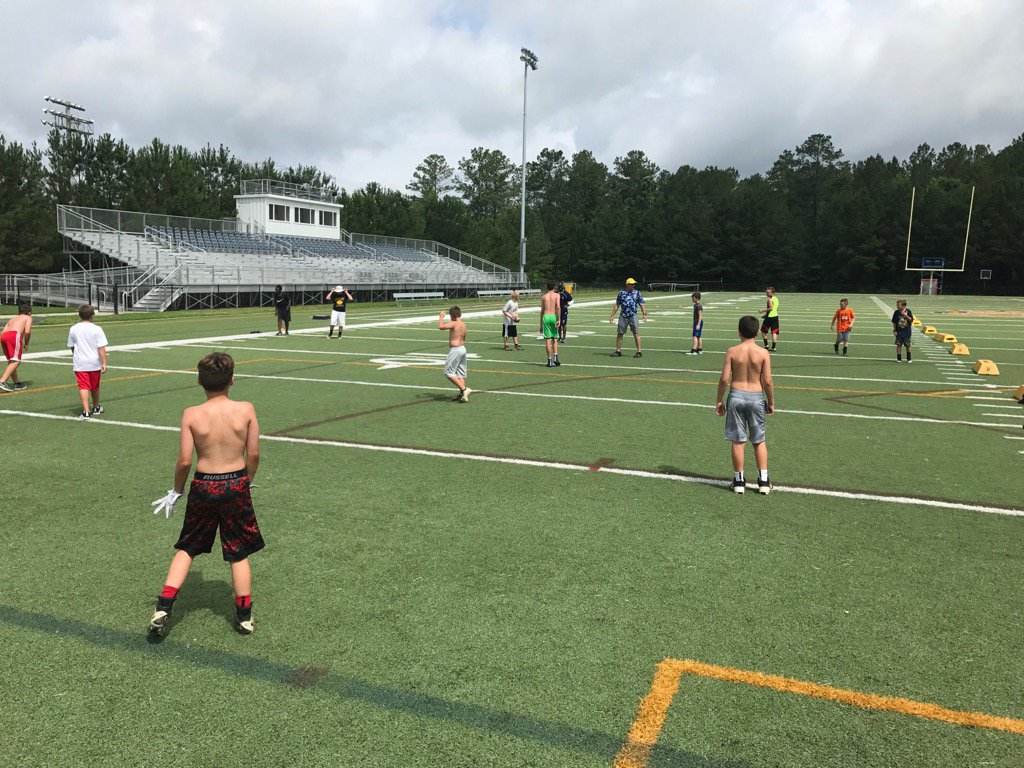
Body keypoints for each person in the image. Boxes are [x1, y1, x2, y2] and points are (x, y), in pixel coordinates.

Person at [148, 352, 263, 638]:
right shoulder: (246, 409)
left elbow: (185, 460)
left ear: (199, 381)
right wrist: (246, 482)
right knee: (238, 552)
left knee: (187, 547)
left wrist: (176, 491)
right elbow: (254, 454)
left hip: (204, 485)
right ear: (232, 380)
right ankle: (244, 617)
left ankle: (164, 606)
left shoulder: (191, 414)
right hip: (235, 483)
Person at [716, 315, 775, 495]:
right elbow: (768, 381)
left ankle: (739, 481)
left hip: (736, 396)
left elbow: (724, 379)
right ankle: (763, 481)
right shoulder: (763, 353)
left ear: (739, 332)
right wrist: (771, 402)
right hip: (756, 397)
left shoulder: (732, 351)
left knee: (738, 440)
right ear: (757, 333)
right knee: (759, 440)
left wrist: (719, 400)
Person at [67, 305, 108, 420]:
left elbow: (71, 346)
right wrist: (104, 362)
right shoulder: (97, 329)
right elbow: (101, 347)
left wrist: (76, 355)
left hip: (80, 362)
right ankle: (95, 407)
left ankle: (86, 412)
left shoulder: (73, 329)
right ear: (92, 316)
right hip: (94, 362)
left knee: (83, 386)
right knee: (95, 386)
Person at [439, 306, 471, 402]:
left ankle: (464, 390)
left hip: (456, 350)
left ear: (452, 316)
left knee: (448, 372)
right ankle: (462, 395)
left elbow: (441, 327)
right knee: (460, 374)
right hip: (462, 348)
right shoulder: (464, 325)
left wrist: (441, 317)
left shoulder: (454, 323)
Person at [610, 277, 647, 358]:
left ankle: (639, 352)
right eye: (632, 284)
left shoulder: (637, 293)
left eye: (634, 284)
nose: (633, 286)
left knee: (636, 333)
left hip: (633, 315)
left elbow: (641, 304)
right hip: (623, 315)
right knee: (620, 333)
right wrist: (612, 315)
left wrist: (644, 314)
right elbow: (617, 305)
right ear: (627, 285)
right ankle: (618, 351)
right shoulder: (621, 293)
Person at [0, 304, 32, 392]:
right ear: (29, 313)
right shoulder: (28, 318)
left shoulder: (13, 318)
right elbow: (27, 332)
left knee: (11, 361)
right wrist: (26, 344)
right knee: (16, 361)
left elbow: (4, 330)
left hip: (3, 336)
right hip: (14, 335)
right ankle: (2, 381)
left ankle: (17, 383)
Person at [540, 282, 562, 367]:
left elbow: (542, 311)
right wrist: (559, 319)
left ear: (547, 287)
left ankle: (549, 360)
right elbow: (558, 307)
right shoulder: (557, 295)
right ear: (554, 287)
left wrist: (540, 325)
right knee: (554, 338)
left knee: (548, 340)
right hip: (553, 316)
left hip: (546, 316)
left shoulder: (544, 297)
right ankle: (555, 357)